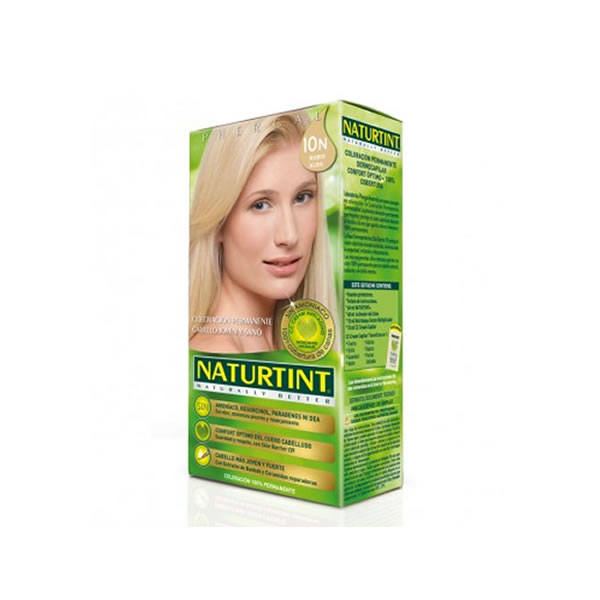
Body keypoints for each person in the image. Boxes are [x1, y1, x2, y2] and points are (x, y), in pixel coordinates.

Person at [189, 112, 337, 353]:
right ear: (219, 222)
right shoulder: (220, 353)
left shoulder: (280, 346)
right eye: (260, 205)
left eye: (302, 197)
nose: (289, 236)